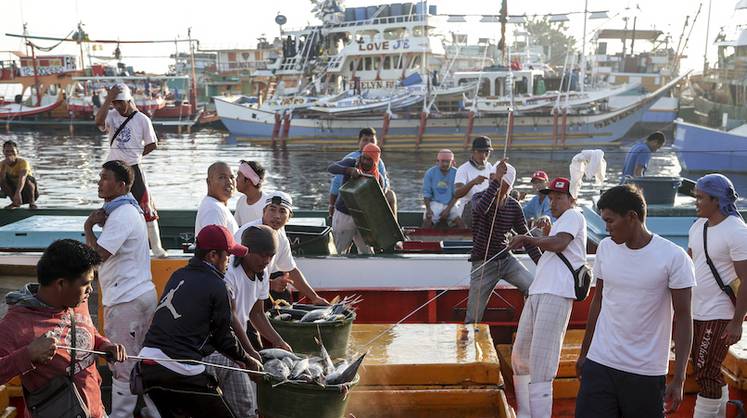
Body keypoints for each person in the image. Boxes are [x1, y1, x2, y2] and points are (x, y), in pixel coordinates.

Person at [575, 185, 695, 418]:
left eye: (610, 221)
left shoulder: (673, 257)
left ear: (632, 217)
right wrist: (585, 353)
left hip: (645, 372)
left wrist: (679, 377)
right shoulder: (606, 249)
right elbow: (597, 302)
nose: (605, 228)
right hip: (600, 363)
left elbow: (683, 317)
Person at [138, 224, 257, 418]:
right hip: (179, 368)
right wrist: (247, 359)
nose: (229, 261)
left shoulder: (178, 275)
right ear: (212, 256)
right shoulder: (218, 285)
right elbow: (224, 339)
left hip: (145, 365)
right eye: (228, 255)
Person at [0, 239, 126, 418]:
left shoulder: (76, 301)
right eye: (86, 284)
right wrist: (27, 355)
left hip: (96, 411)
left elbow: (87, 332)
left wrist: (104, 346)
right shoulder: (15, 325)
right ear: (60, 284)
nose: (91, 289)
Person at [83, 160, 158, 418]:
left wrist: (88, 227)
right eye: (100, 176)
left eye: (105, 178)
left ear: (122, 185)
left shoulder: (122, 214)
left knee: (122, 363)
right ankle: (152, 412)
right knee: (142, 361)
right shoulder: (125, 210)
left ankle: (121, 415)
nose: (99, 182)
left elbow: (98, 255)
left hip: (127, 300)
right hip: (139, 294)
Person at [507, 177, 587, 417]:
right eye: (551, 198)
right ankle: (525, 413)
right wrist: (544, 233)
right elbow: (556, 241)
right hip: (539, 290)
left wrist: (528, 238)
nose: (553, 202)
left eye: (559, 198)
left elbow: (560, 243)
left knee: (542, 360)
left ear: (571, 199)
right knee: (520, 355)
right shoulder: (561, 222)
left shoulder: (574, 216)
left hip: (556, 292)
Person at [205, 225, 291, 417]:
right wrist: (249, 353)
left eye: (270, 255)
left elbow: (257, 314)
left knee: (248, 402)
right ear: (245, 251)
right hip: (221, 343)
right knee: (240, 405)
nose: (266, 260)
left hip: (239, 343)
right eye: (261, 255)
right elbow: (231, 316)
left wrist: (278, 341)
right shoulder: (229, 272)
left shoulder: (264, 271)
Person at [688, 174, 747, 418]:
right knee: (704, 370)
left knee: (706, 372)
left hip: (720, 313)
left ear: (717, 200)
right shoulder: (697, 227)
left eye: (701, 198)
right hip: (695, 310)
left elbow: (746, 279)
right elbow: (688, 265)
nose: (696, 202)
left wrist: (736, 322)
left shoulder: (736, 231)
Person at [95, 83, 167, 258]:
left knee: (146, 205)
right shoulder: (111, 115)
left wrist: (137, 155)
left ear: (129, 100)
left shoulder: (142, 119)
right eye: (114, 103)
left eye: (120, 102)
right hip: (113, 167)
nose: (117, 107)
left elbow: (152, 143)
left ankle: (156, 248)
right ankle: (110, 243)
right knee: (109, 204)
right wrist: (107, 99)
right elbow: (98, 122)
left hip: (133, 167)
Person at [465, 160, 541, 324]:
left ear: (509, 185)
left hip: (507, 261)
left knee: (535, 290)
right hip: (483, 264)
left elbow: (526, 237)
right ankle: (469, 345)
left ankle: (528, 327)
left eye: (500, 180)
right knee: (473, 317)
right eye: (492, 178)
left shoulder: (513, 206)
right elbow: (480, 210)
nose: (495, 182)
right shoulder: (479, 197)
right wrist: (496, 182)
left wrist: (542, 264)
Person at [235, 191, 329, 305]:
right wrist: (271, 284)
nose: (277, 216)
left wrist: (314, 298)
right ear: (264, 211)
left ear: (289, 217)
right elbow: (237, 273)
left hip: (258, 290)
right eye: (272, 209)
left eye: (282, 211)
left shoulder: (281, 237)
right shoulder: (249, 233)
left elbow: (291, 269)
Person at [328, 143, 386, 255]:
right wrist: (348, 171)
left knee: (367, 253)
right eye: (363, 157)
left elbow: (378, 205)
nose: (364, 161)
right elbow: (331, 168)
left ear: (375, 162)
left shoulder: (379, 180)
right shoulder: (352, 162)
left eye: (369, 160)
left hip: (363, 219)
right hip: (344, 215)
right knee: (338, 251)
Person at [328, 127, 396, 219]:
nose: (368, 143)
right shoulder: (351, 159)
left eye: (372, 140)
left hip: (371, 197)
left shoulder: (378, 162)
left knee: (391, 195)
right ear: (358, 142)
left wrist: (381, 193)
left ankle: (393, 228)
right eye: (365, 140)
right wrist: (331, 207)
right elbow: (336, 183)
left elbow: (385, 182)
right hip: (351, 198)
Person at [454, 136, 495, 228]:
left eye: (486, 152)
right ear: (473, 151)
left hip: (486, 207)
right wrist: (473, 182)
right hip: (468, 209)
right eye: (480, 151)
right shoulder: (463, 169)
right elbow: (457, 194)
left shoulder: (490, 167)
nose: (483, 155)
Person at [422, 149, 464, 228]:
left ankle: (462, 239)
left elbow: (457, 195)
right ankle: (423, 239)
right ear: (437, 161)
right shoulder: (430, 173)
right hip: (435, 203)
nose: (445, 164)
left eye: (448, 161)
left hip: (451, 204)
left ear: (452, 162)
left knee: (460, 222)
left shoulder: (457, 173)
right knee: (428, 219)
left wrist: (448, 209)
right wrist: (428, 209)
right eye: (442, 161)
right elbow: (426, 193)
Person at [196, 161, 238, 236]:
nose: (229, 182)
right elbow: (214, 245)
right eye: (222, 177)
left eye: (232, 177)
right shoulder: (213, 210)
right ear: (209, 182)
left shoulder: (216, 206)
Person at [0, 140, 39, 209]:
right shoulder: (2, 164)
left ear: (17, 152)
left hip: (28, 192)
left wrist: (18, 193)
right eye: (7, 151)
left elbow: (22, 178)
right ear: (3, 152)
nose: (10, 153)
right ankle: (15, 203)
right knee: (2, 179)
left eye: (12, 151)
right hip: (14, 194)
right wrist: (4, 167)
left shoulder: (23, 162)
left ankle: (32, 203)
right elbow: (2, 181)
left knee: (28, 178)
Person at [234, 160, 269, 226]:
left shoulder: (268, 204)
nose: (236, 179)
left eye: (239, 176)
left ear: (248, 180)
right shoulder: (241, 201)